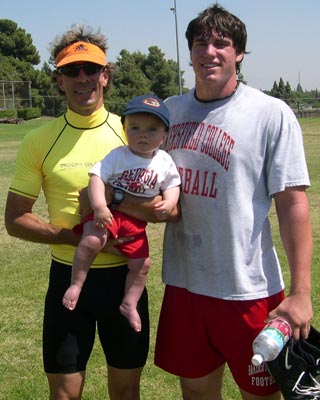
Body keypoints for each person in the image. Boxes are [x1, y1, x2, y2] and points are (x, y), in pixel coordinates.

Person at [5, 25, 178, 400]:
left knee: (126, 390)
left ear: (106, 75)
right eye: (71, 70)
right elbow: (15, 218)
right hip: (69, 277)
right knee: (64, 394)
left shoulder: (133, 131)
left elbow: (170, 210)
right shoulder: (39, 140)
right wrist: (75, 237)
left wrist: (109, 201)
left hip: (123, 279)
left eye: (90, 69)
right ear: (59, 79)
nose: (82, 78)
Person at [154, 4, 313, 400]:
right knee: (196, 394)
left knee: (263, 396)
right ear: (189, 51)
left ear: (238, 53)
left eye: (221, 44)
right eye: (201, 43)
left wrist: (301, 293)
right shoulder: (169, 113)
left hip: (250, 291)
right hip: (185, 286)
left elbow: (292, 204)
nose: (210, 51)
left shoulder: (269, 113)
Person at [62, 94, 181, 333]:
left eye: (152, 129)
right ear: (125, 130)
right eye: (134, 128)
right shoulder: (118, 155)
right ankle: (76, 284)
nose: (143, 134)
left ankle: (129, 303)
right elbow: (96, 178)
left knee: (142, 263)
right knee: (91, 241)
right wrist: (99, 207)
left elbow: (172, 185)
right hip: (108, 216)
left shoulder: (165, 161)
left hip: (136, 223)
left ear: (164, 135)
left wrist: (169, 203)